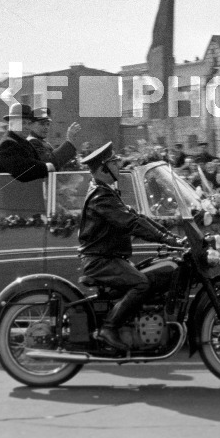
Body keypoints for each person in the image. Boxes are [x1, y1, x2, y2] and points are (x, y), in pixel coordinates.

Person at [77, 142, 184, 351]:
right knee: (141, 284)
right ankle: (109, 328)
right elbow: (130, 223)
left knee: (151, 276)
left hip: (108, 257)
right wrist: (167, 240)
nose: (118, 165)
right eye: (114, 162)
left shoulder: (106, 191)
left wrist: (171, 237)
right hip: (100, 261)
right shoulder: (101, 196)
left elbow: (137, 217)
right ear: (102, 168)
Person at [0, 103, 56, 182]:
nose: (27, 127)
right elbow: (22, 169)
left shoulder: (25, 143)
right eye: (23, 123)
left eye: (29, 123)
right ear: (11, 123)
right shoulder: (7, 144)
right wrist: (46, 167)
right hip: (13, 194)